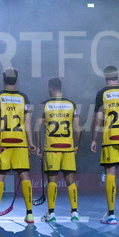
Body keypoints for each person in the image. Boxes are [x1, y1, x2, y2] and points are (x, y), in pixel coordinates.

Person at [0, 68, 37, 224]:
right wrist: (31, 143)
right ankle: (30, 214)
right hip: (20, 142)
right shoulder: (24, 97)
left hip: (4, 142)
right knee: (24, 176)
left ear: (3, 79)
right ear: (17, 79)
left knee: (0, 176)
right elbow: (28, 123)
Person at [90, 66, 119, 225]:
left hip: (111, 138)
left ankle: (112, 215)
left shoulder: (102, 93)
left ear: (105, 77)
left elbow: (98, 119)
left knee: (110, 173)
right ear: (117, 75)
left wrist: (94, 139)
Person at [34, 77, 81, 223]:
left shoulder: (45, 105)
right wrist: (77, 145)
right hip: (67, 147)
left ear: (50, 88)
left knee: (52, 181)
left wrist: (38, 148)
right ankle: (74, 212)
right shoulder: (72, 104)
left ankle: (51, 213)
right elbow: (78, 129)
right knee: (70, 181)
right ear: (62, 87)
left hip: (52, 148)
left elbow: (37, 128)